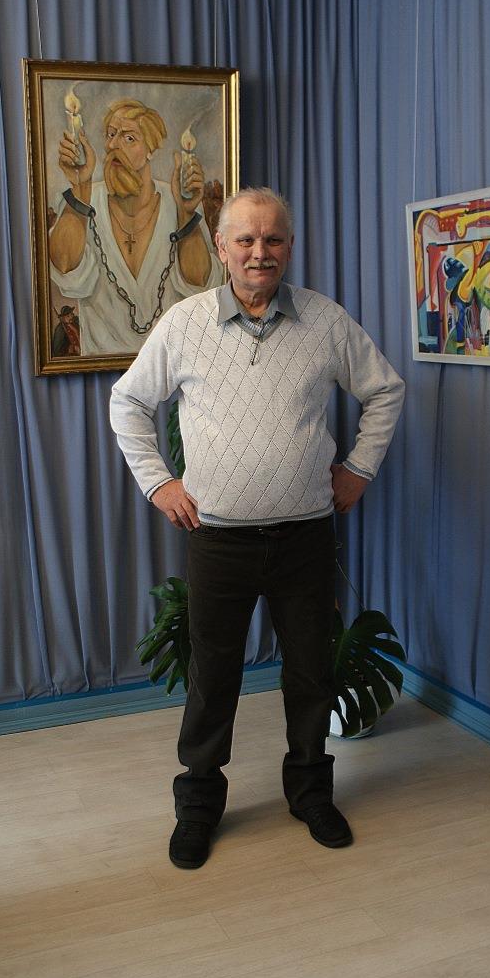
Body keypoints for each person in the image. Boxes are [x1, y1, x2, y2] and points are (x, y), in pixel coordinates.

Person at [110, 187, 405, 869]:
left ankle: (310, 791)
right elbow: (127, 401)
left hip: (304, 537)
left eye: (272, 239)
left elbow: (385, 389)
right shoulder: (185, 324)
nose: (259, 252)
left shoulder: (325, 321)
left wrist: (359, 468)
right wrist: (159, 482)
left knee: (309, 673)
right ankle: (198, 804)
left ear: (289, 247)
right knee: (213, 679)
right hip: (220, 541)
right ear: (222, 248)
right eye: (245, 239)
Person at [49, 98, 223, 356]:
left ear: (150, 148)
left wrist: (186, 214)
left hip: (170, 363)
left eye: (128, 138)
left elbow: (199, 285)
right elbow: (65, 269)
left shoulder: (177, 202)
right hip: (98, 363)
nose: (112, 145)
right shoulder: (83, 199)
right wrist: (80, 186)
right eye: (110, 135)